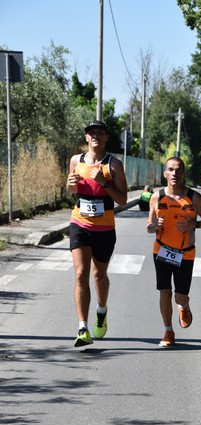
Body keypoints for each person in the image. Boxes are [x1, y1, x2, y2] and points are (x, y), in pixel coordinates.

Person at [66, 120, 128, 348]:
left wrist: (104, 183)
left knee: (99, 275)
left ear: (106, 138)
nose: (96, 136)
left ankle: (101, 311)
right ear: (86, 138)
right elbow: (72, 190)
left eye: (100, 133)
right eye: (92, 133)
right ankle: (82, 328)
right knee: (81, 274)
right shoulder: (76, 160)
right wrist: (70, 184)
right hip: (79, 223)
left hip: (104, 229)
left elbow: (122, 199)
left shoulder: (114, 164)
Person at [147, 157, 201, 348]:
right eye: (171, 170)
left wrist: (195, 224)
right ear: (165, 173)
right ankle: (168, 330)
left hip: (185, 252)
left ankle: (184, 305)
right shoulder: (157, 197)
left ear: (183, 173)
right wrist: (154, 226)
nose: (174, 173)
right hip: (161, 250)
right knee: (165, 292)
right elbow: (149, 227)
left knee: (179, 296)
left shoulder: (194, 197)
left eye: (178, 170)